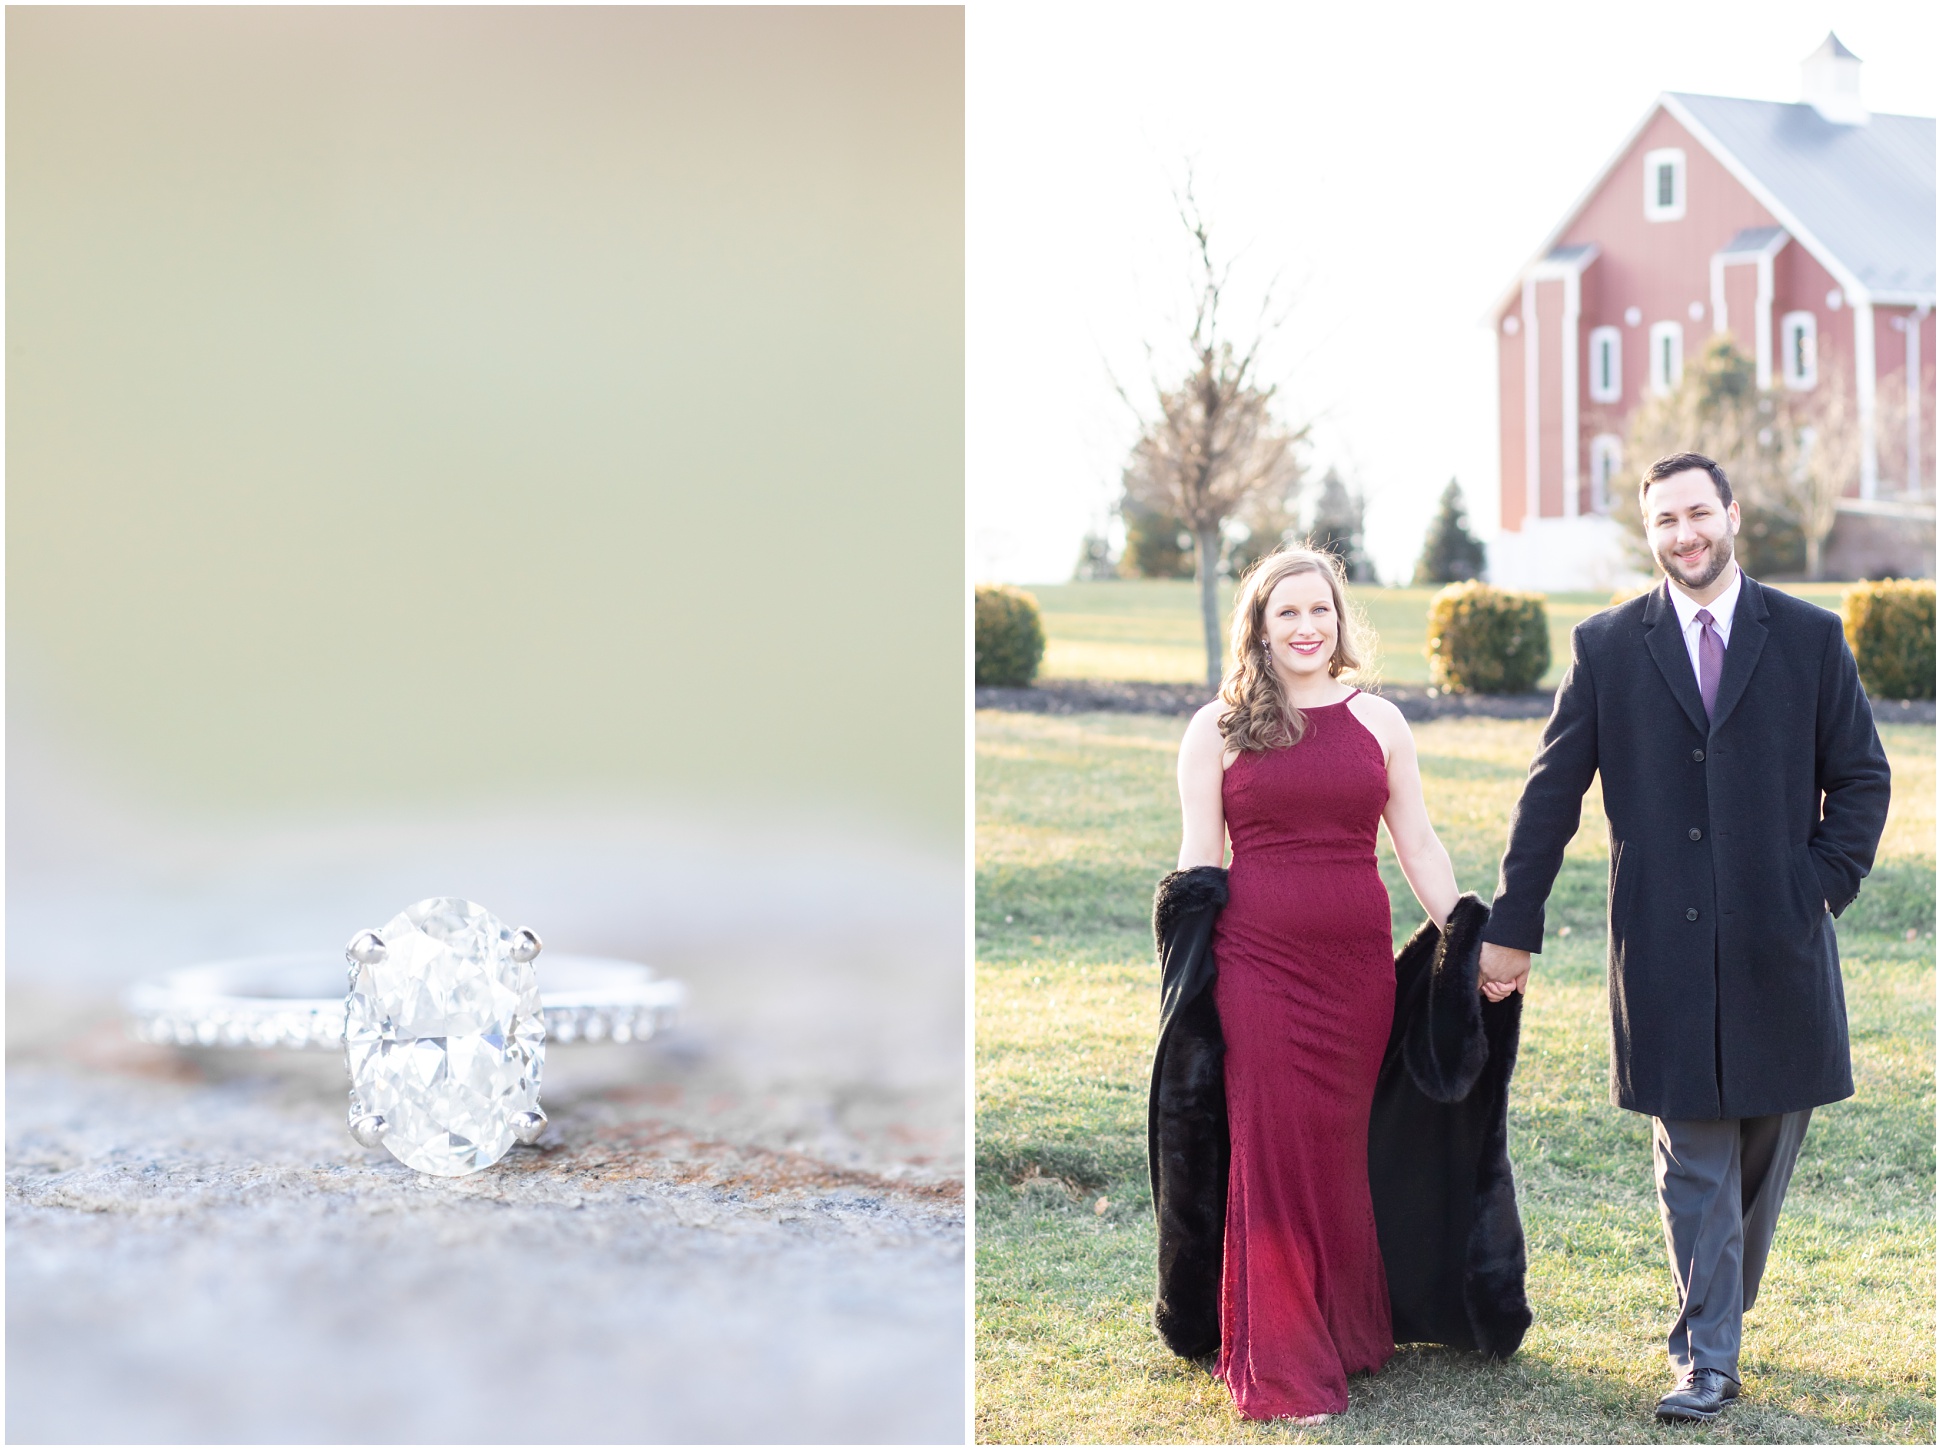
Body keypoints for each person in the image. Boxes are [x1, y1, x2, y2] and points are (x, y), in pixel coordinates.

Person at [1477, 452, 1891, 1424]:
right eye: (1664, 521)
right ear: (1649, 530)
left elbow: (1863, 777)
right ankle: (1706, 1356)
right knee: (1694, 1152)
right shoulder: (1610, 645)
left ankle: (1719, 1309)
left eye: (1697, 514)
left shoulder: (1809, 638)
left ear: (1732, 515)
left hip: (1779, 947)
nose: (1683, 536)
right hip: (1662, 949)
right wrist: (1513, 925)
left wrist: (1817, 885)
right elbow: (1550, 796)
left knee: (1763, 1141)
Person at [1174, 545, 1464, 1422]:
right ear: (1256, 628)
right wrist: (1183, 983)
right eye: (1285, 613)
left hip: (1355, 977)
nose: (1305, 627)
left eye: (1320, 611)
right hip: (1255, 969)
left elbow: (1417, 845)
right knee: (1273, 1151)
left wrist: (1470, 938)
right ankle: (1285, 1361)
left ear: (1340, 622)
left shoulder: (1378, 722)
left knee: (1336, 1151)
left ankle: (1344, 1330)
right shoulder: (1216, 729)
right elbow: (1197, 861)